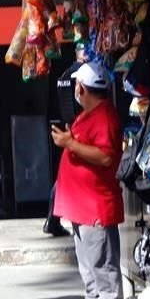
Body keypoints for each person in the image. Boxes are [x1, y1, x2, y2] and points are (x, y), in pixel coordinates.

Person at [50, 62, 124, 299]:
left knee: (101, 260)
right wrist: (70, 140)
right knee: (87, 261)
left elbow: (105, 157)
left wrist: (70, 143)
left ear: (81, 88)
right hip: (81, 205)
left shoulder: (104, 117)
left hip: (95, 205)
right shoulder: (87, 115)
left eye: (76, 86)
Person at [45, 59, 84, 237]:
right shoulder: (81, 73)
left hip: (69, 126)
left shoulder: (65, 74)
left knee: (65, 174)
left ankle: (53, 219)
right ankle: (54, 219)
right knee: (68, 175)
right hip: (78, 127)